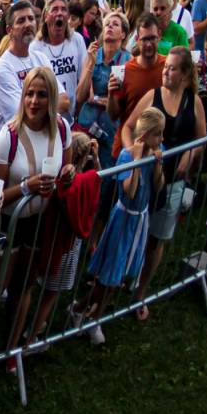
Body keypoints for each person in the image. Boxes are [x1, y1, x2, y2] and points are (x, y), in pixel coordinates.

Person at [0, 66, 70, 360]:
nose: (34, 101)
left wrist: (69, 174)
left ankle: (11, 349)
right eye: (29, 94)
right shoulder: (8, 136)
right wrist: (25, 187)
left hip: (40, 221)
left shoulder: (61, 128)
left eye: (42, 95)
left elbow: (66, 166)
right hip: (8, 221)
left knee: (25, 284)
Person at [122, 45, 206, 318]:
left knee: (157, 239)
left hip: (172, 183)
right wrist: (132, 155)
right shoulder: (152, 96)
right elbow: (127, 126)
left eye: (171, 68)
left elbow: (201, 138)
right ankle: (121, 277)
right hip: (146, 180)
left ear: (184, 74)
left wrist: (190, 154)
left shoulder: (192, 100)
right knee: (134, 232)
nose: (165, 72)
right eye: (165, 66)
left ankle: (140, 293)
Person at [81, 107, 165, 339]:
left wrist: (157, 165)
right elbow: (130, 191)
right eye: (158, 134)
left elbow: (158, 187)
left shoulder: (158, 151)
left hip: (141, 218)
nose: (161, 139)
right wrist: (138, 161)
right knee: (111, 272)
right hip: (124, 217)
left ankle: (85, 309)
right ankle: (90, 316)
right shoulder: (128, 156)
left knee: (119, 273)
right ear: (145, 135)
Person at [0, 0, 41, 154]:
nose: (28, 24)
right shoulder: (3, 67)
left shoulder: (41, 58)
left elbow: (63, 100)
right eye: (21, 21)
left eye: (31, 19)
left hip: (40, 144)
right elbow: (23, 116)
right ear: (9, 30)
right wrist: (50, 108)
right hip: (12, 150)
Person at [76, 11, 130, 150]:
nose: (109, 27)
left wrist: (99, 99)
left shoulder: (128, 61)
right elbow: (80, 96)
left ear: (123, 34)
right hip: (86, 128)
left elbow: (126, 103)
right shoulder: (92, 54)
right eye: (107, 24)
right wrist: (90, 64)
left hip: (110, 133)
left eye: (115, 24)